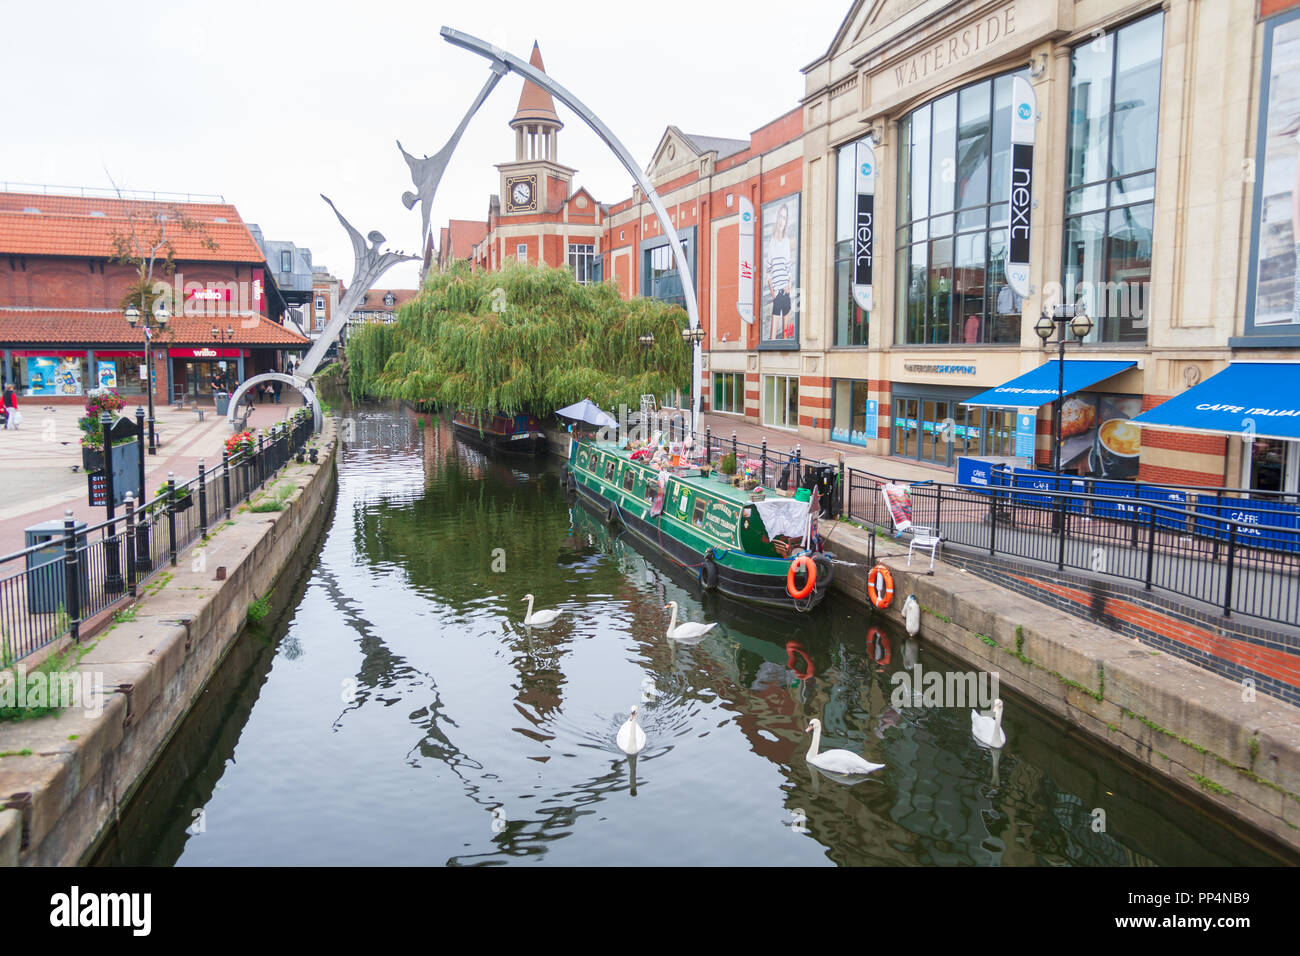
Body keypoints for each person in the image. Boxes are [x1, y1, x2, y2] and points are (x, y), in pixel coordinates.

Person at [765, 202, 794, 340]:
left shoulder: (787, 241)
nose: (782, 221)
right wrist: (772, 292)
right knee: (772, 337)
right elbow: (768, 269)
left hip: (786, 290)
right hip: (777, 293)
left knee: (786, 336)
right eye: (781, 217)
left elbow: (789, 267)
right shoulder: (771, 242)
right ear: (777, 218)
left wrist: (789, 284)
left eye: (785, 218)